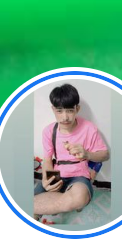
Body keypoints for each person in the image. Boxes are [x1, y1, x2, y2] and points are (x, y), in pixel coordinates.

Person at [33, 84, 108, 217]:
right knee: (36, 199)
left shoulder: (89, 128)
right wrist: (46, 179)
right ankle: (64, 202)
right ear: (53, 109)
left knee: (79, 197)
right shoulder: (49, 131)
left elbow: (105, 155)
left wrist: (87, 154)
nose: (65, 117)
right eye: (59, 111)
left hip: (80, 175)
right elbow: (48, 159)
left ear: (77, 109)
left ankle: (52, 204)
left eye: (69, 110)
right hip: (56, 173)